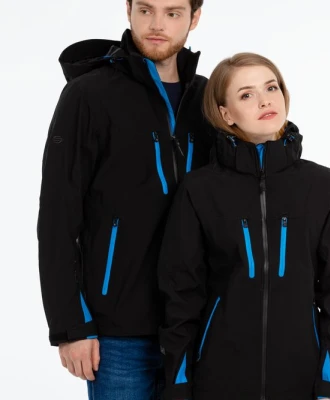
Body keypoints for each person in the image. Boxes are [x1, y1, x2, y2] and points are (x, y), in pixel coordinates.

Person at [158, 53, 330, 400]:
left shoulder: (321, 185)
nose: (265, 100)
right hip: (218, 382)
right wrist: (178, 386)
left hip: (302, 382)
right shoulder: (200, 189)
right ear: (226, 114)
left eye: (271, 87)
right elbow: (180, 295)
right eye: (246, 94)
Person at [37, 1, 214, 399]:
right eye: (146, 10)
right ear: (129, 10)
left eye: (173, 13)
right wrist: (71, 326)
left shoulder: (208, 99)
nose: (157, 24)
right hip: (117, 334)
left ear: (195, 17)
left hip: (196, 328)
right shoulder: (88, 95)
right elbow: (57, 217)